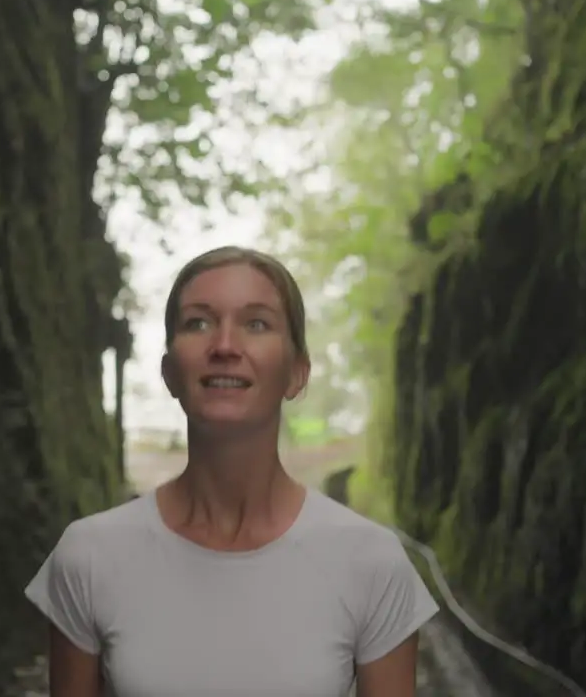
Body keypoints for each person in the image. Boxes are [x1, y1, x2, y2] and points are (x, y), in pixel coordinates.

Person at [24, 246, 439, 696]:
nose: (224, 346)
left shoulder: (371, 563)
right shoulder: (88, 556)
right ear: (169, 373)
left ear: (297, 373)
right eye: (198, 323)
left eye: (256, 323)